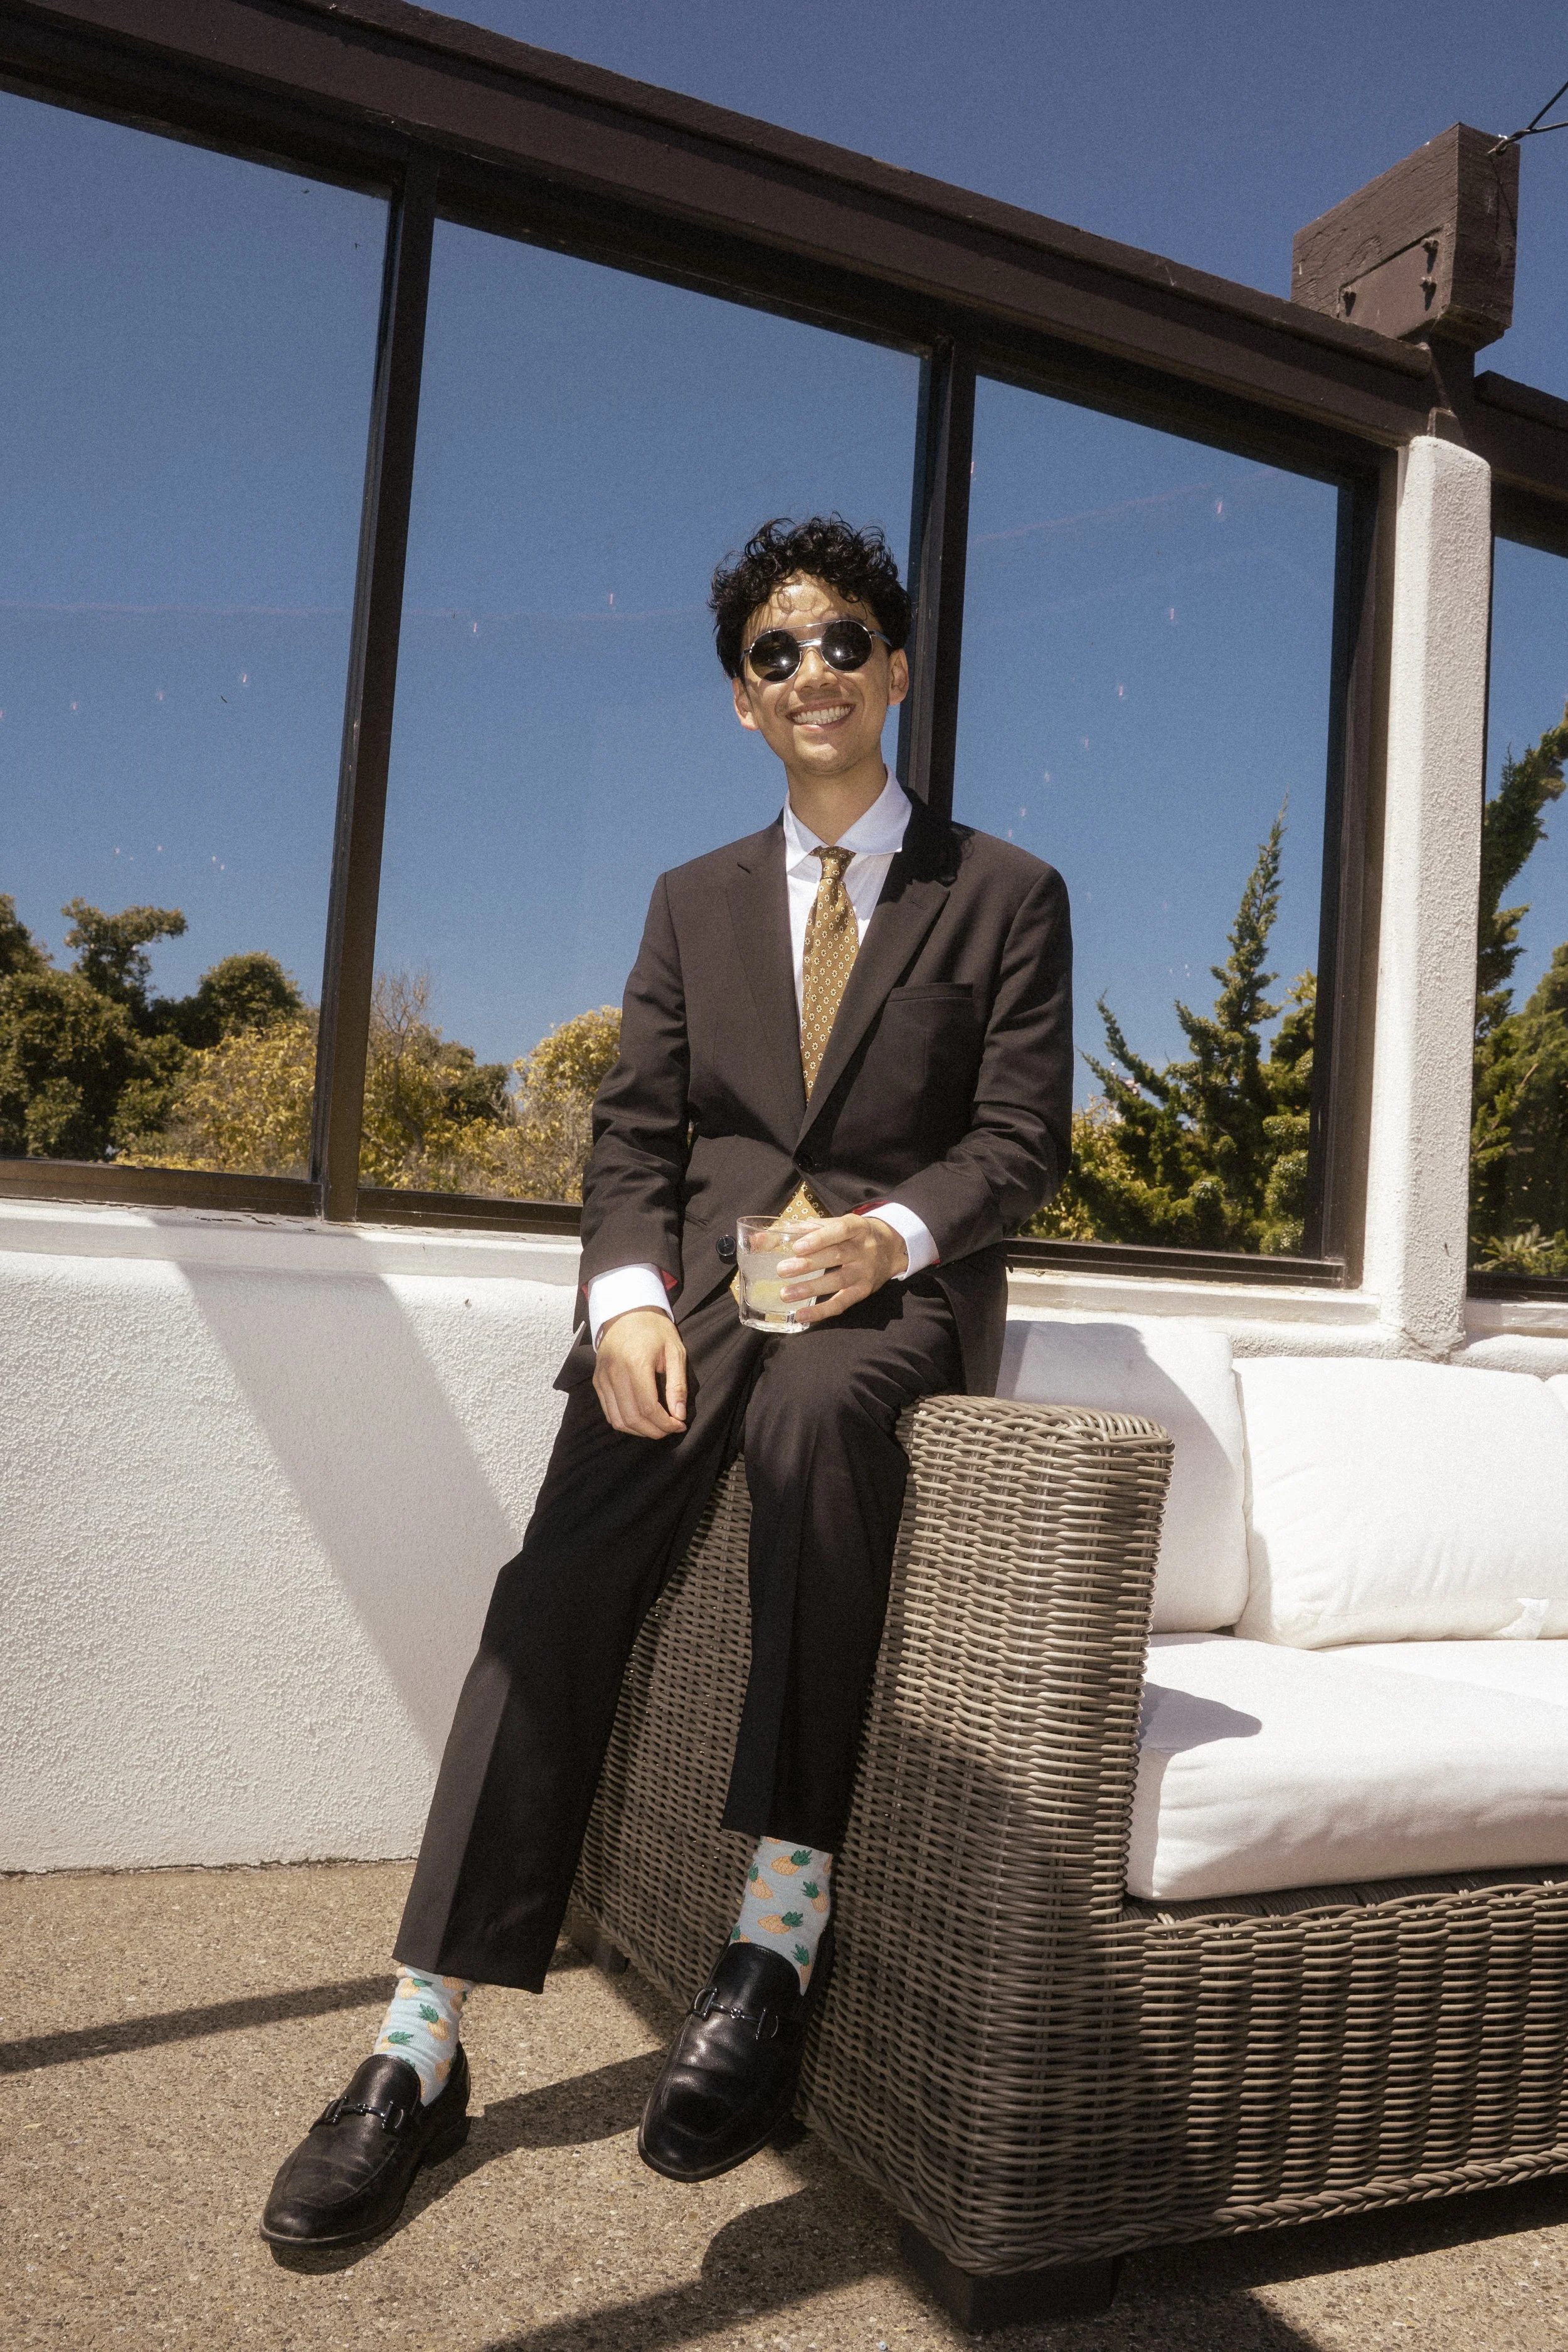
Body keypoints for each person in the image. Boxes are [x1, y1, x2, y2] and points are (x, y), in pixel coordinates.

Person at [261, 514, 1073, 2247]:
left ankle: (776, 1930)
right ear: (741, 701)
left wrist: (894, 1243)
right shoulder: (689, 901)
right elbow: (635, 1131)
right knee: (549, 1581)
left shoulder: (1002, 892)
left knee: (811, 1425)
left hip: (880, 1298)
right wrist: (627, 1297)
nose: (812, 674)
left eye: (841, 640)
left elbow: (1017, 1143)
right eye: (775, 654)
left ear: (899, 667)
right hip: (692, 1290)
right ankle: (421, 2040)